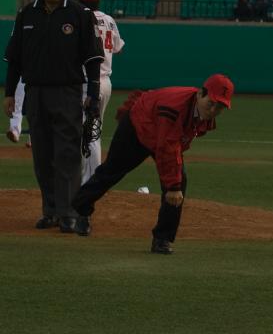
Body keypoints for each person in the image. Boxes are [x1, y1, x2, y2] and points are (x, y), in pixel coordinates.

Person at [72, 73, 234, 253]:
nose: (213, 110)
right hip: (137, 127)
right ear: (200, 94)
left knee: (180, 180)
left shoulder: (201, 112)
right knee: (112, 171)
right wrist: (173, 186)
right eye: (211, 103)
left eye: (219, 107)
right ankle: (81, 209)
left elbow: (174, 144)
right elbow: (167, 148)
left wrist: (175, 183)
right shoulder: (174, 108)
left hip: (162, 132)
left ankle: (162, 239)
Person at [3, 0, 103, 232]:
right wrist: (10, 92)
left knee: (68, 154)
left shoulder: (80, 14)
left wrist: (93, 95)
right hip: (35, 92)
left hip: (67, 92)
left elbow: (93, 59)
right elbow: (14, 59)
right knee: (43, 155)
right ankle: (50, 211)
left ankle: (68, 212)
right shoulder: (28, 14)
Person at [77, 0, 125, 183]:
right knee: (93, 131)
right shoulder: (109, 19)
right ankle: (87, 178)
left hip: (87, 83)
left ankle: (90, 181)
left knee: (87, 133)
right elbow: (118, 48)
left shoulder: (79, 18)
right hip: (105, 82)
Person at [6, 78, 30, 146]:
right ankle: (15, 131)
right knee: (16, 103)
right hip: (22, 73)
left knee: (35, 105)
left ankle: (34, 136)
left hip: (38, 76)